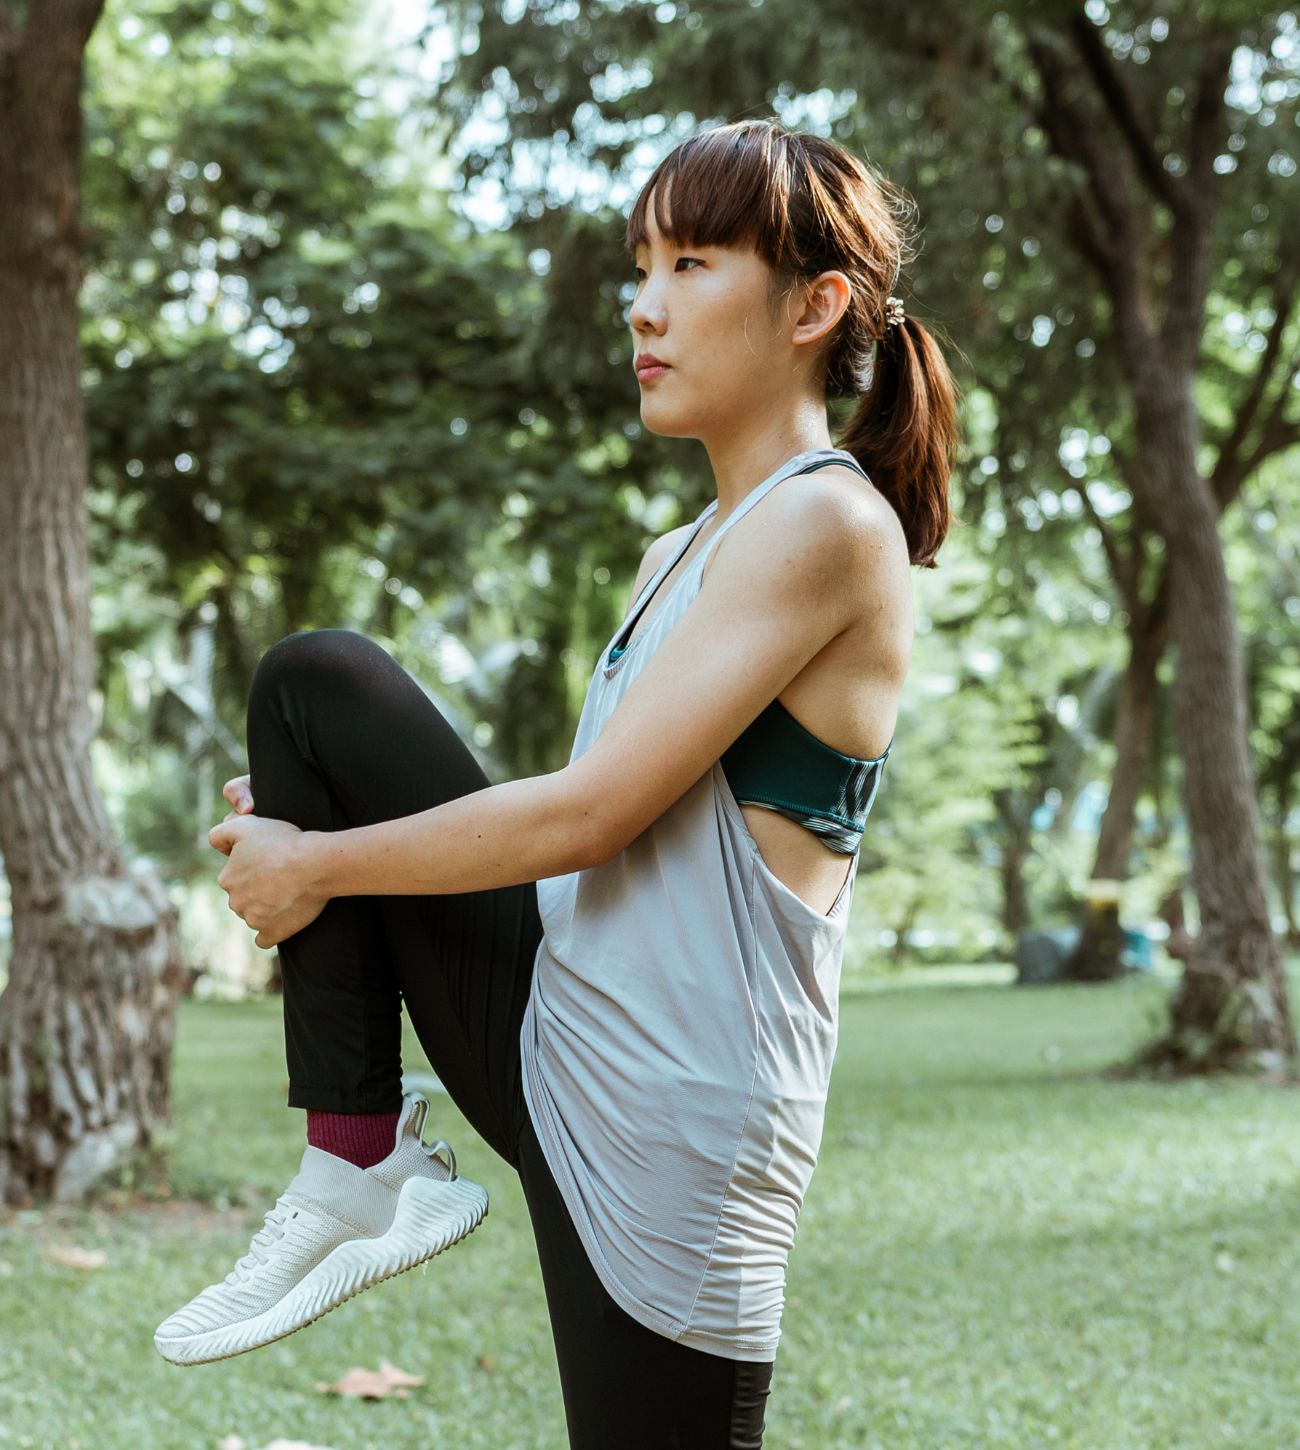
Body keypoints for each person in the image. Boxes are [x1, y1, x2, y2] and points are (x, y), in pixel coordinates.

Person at [153, 116, 959, 1448]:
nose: (643, 306)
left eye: (692, 264)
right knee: (318, 687)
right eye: (638, 264)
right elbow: (583, 841)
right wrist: (329, 821)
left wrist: (326, 864)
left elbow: (592, 813)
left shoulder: (828, 522)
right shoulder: (675, 550)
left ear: (816, 304)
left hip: (679, 1113)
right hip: (563, 1016)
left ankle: (362, 1157)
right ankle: (356, 1156)